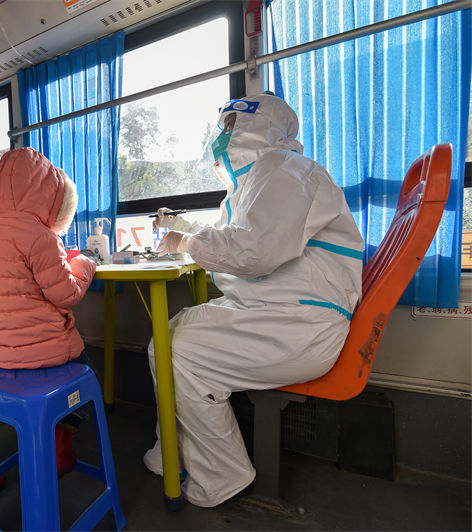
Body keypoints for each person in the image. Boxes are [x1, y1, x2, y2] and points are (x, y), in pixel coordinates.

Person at [146, 93, 363, 507]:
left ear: (262, 128)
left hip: (300, 324)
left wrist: (185, 240)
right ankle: (173, 450)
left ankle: (221, 472)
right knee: (169, 330)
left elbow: (251, 251)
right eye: (223, 126)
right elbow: (237, 235)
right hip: (278, 312)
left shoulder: (286, 170)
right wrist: (184, 229)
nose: (222, 137)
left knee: (180, 352)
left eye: (232, 126)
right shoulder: (259, 181)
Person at [0, 147, 97, 492]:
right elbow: (66, 294)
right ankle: (62, 443)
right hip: (46, 355)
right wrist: (83, 266)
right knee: (88, 373)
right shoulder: (42, 237)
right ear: (48, 197)